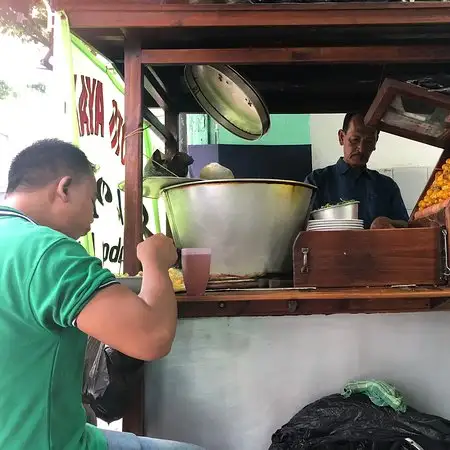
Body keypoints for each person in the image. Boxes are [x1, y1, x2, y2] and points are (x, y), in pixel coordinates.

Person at [0, 139, 205, 450]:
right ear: (64, 188)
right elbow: (151, 337)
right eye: (92, 200)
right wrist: (155, 263)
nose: (93, 217)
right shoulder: (47, 251)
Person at [304, 112, 409, 229]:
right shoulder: (317, 181)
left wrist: (388, 222)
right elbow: (301, 228)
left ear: (376, 142)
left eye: (369, 141)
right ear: (341, 137)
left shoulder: (387, 185)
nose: (361, 148)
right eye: (355, 139)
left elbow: (406, 224)